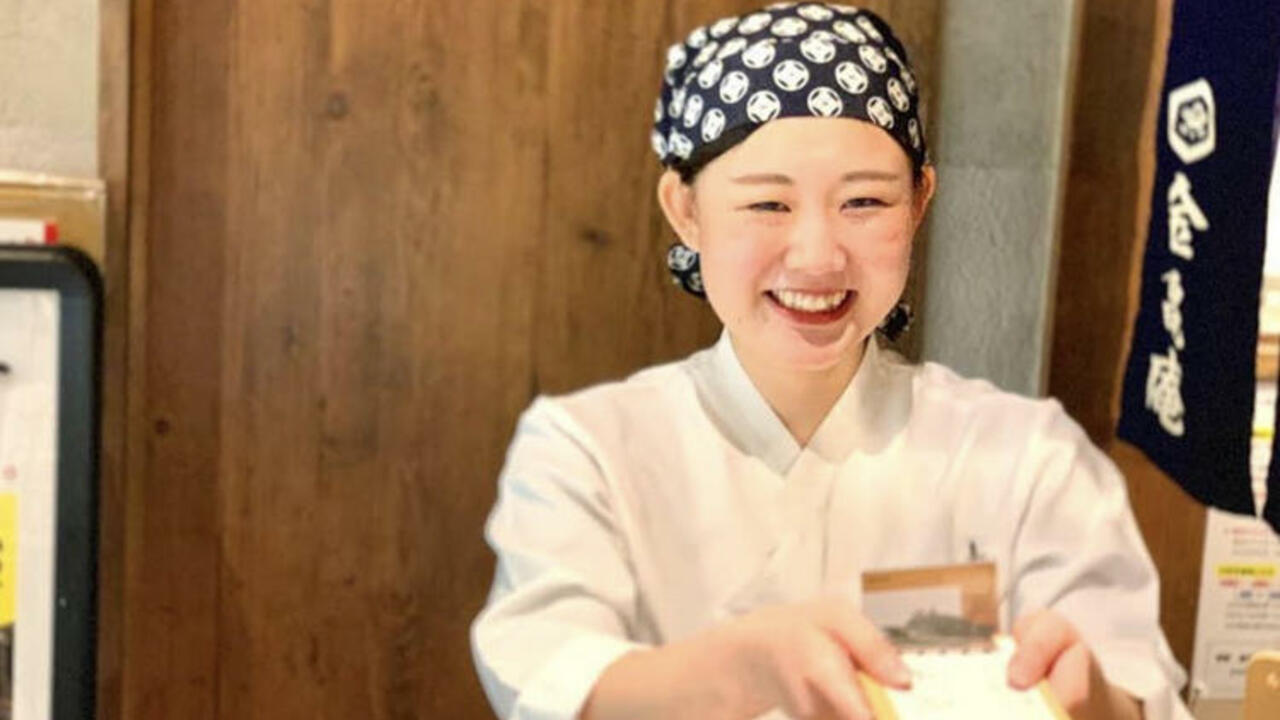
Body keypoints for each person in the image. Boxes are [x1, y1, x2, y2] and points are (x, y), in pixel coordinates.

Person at [471, 3, 1190, 719]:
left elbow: (1137, 695)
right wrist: (745, 670)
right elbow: (551, 681)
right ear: (685, 209)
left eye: (864, 201)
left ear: (919, 202)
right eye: (768, 205)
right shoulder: (587, 450)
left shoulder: (1027, 457)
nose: (817, 257)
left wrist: (1090, 698)